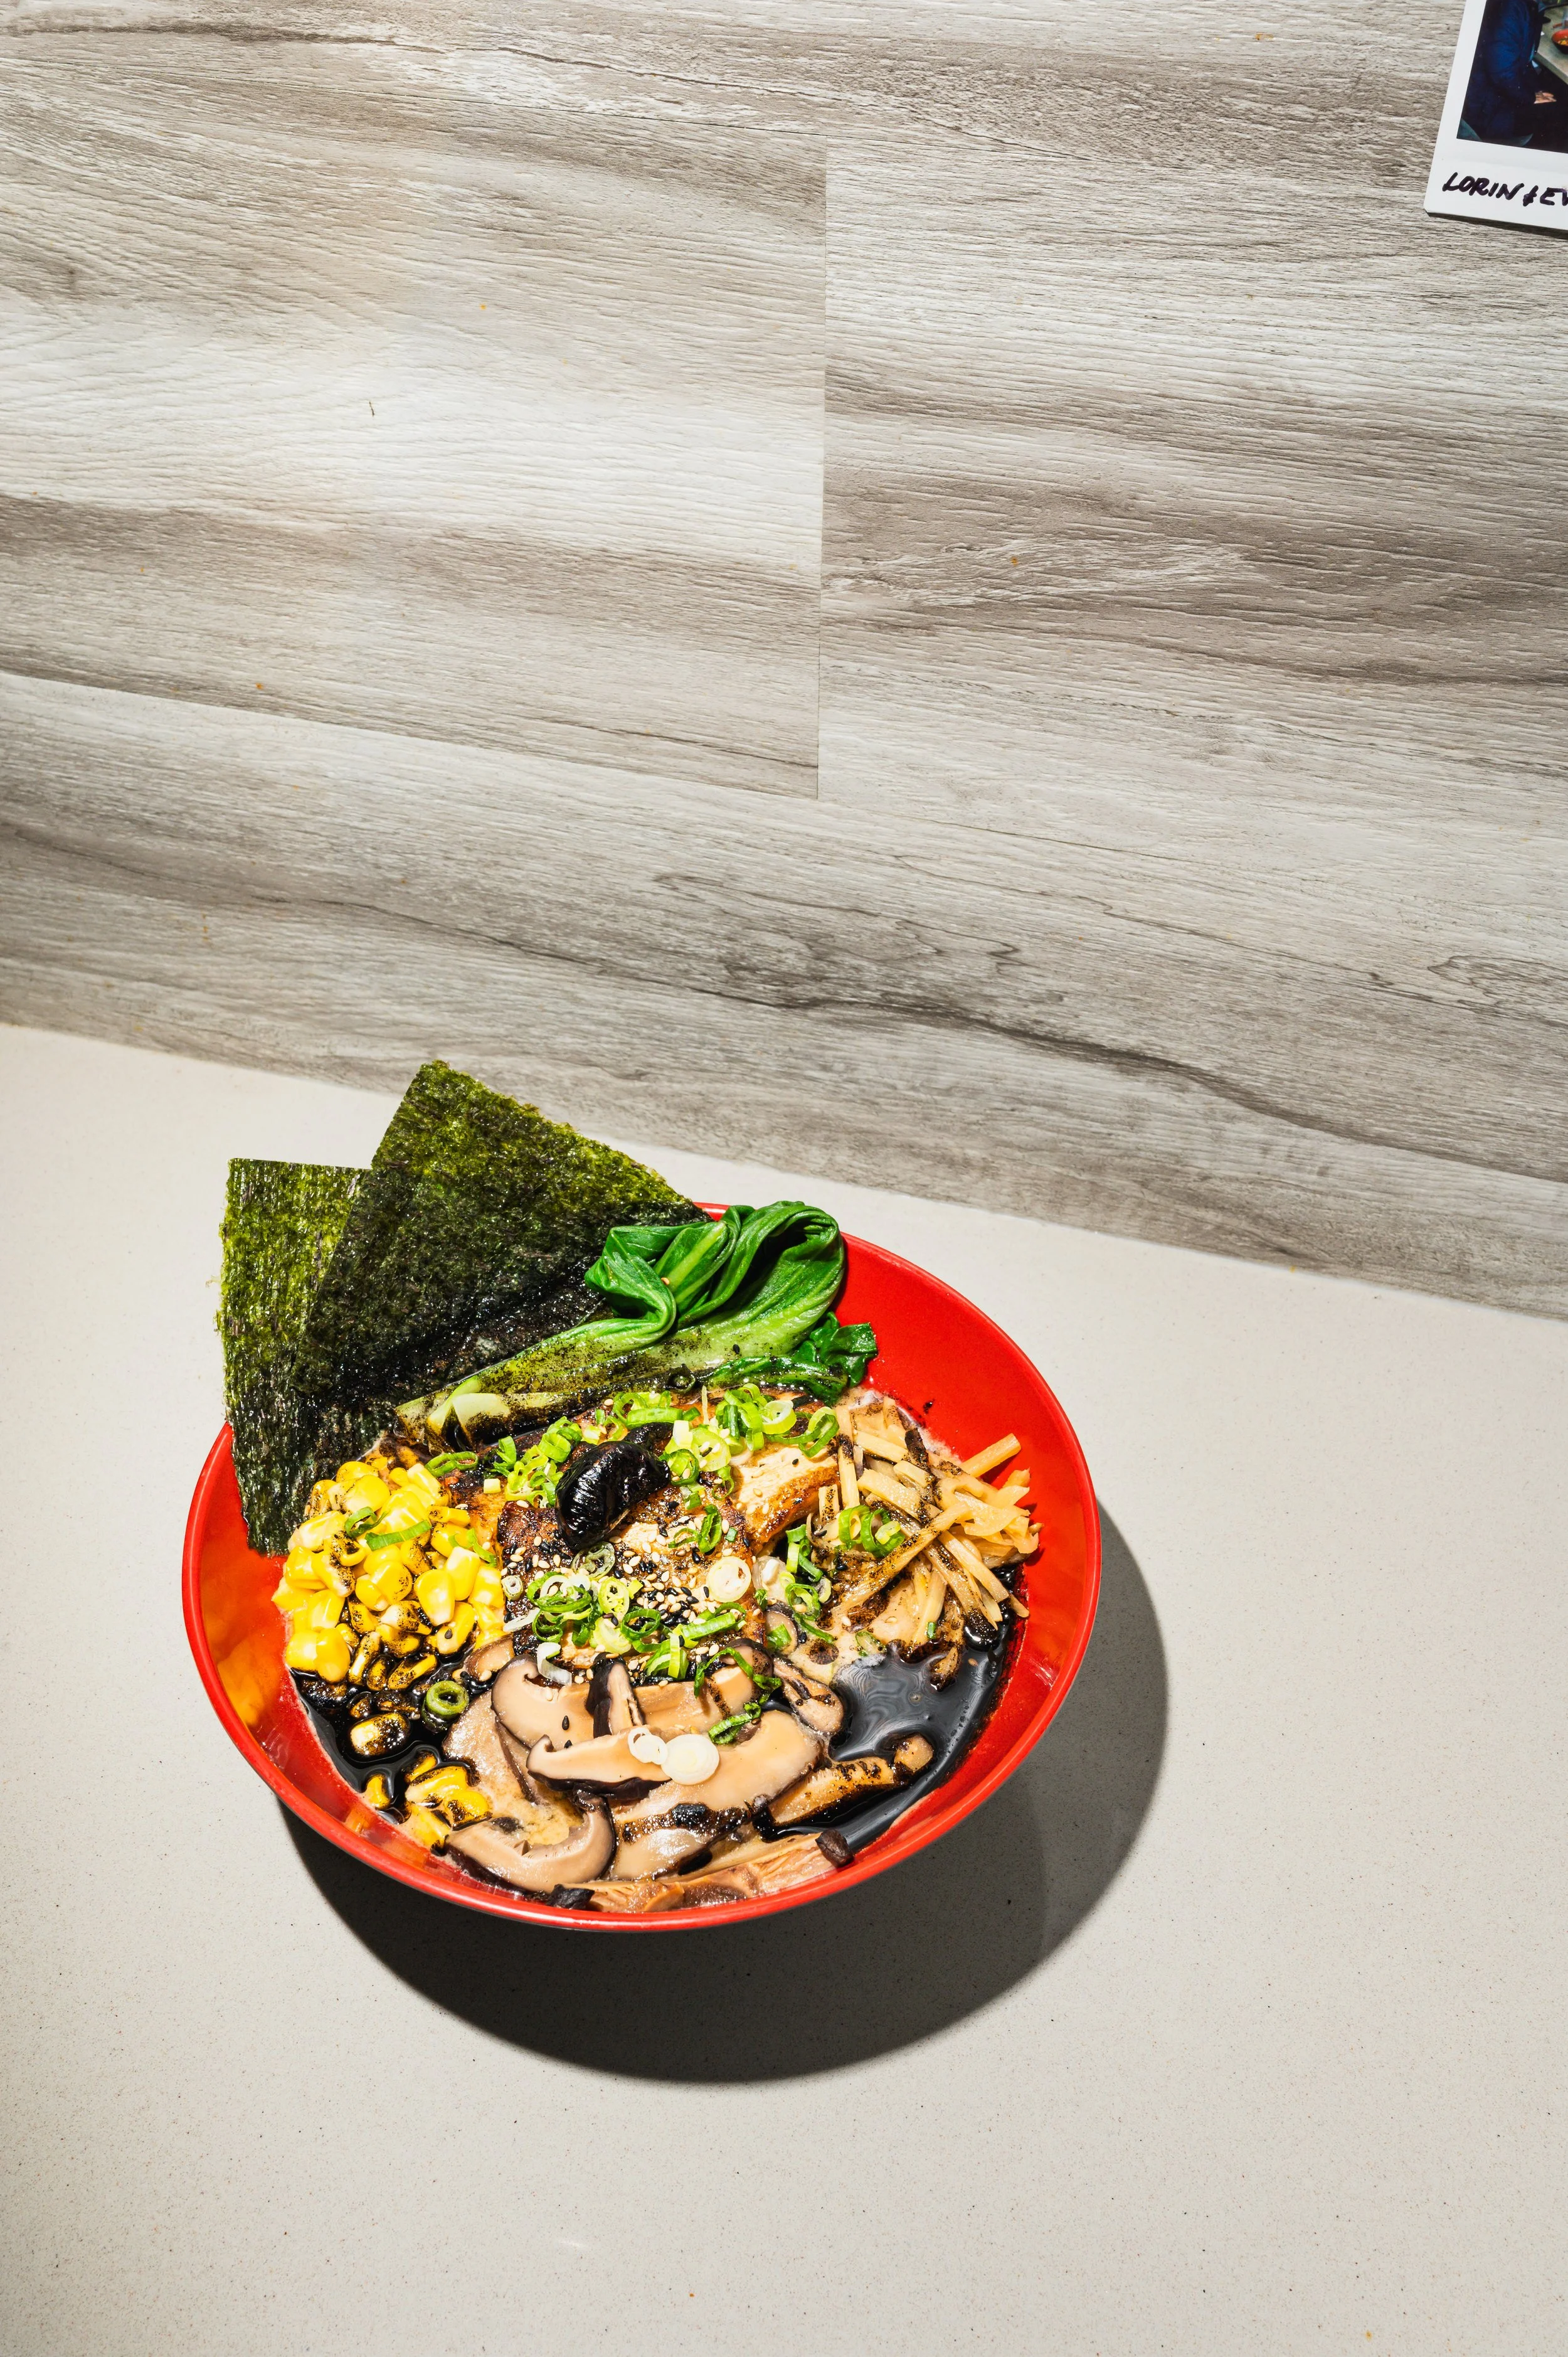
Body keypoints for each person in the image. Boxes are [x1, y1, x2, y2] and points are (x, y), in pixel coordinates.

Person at [1463, 0, 1568, 147]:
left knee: (1556, 94)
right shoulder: (1511, 8)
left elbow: (1522, 61)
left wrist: (1536, 91)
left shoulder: (1527, 5)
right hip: (1490, 109)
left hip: (1500, 90)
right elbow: (1501, 72)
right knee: (1560, 112)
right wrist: (1530, 97)